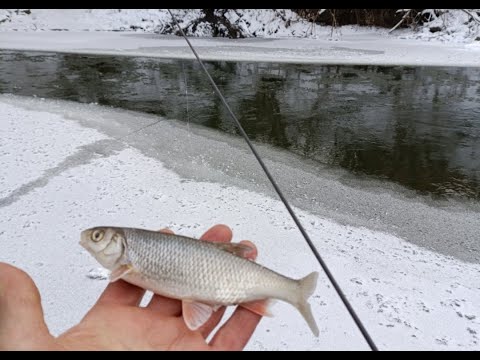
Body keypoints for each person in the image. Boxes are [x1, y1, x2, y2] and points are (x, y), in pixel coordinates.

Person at [0, 224, 262, 350]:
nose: (90, 241)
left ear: (118, 242)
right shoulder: (123, 267)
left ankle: (286, 291)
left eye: (97, 237)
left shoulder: (126, 265)